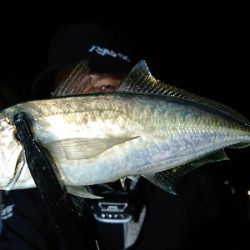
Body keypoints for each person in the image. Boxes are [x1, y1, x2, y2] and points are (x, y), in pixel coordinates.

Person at [0, 23, 239, 250]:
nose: (92, 91)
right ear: (53, 92)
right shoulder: (29, 197)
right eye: (75, 78)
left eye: (108, 84)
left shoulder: (197, 183)